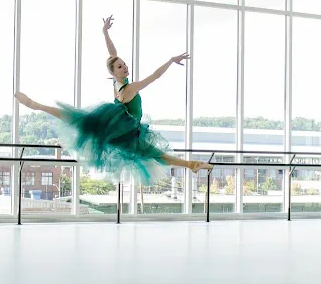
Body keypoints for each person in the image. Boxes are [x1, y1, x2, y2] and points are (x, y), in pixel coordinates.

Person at [14, 15, 213, 185]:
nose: (125, 67)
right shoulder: (130, 88)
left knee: (82, 121)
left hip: (120, 127)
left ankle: (37, 105)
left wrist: (105, 32)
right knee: (155, 154)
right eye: (120, 67)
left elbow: (113, 54)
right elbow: (155, 76)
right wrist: (170, 61)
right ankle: (192, 165)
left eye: (125, 65)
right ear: (112, 71)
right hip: (126, 132)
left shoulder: (117, 83)